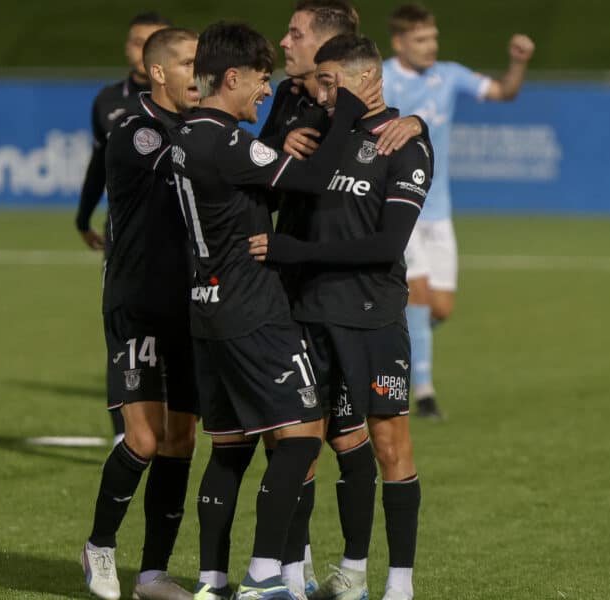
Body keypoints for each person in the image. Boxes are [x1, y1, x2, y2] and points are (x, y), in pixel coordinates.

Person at [169, 22, 375, 600]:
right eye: (260, 81)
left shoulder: (183, 139)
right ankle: (264, 579)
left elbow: (248, 193)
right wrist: (348, 109)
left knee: (230, 444)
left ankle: (212, 582)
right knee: (305, 433)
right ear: (230, 78)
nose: (266, 91)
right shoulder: (229, 142)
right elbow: (312, 178)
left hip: (205, 308)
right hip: (252, 308)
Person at [250, 34, 433, 600]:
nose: (320, 94)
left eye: (330, 83)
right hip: (307, 316)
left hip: (372, 319)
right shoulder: (320, 137)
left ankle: (398, 584)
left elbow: (387, 246)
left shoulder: (404, 144)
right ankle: (298, 576)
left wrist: (294, 253)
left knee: (389, 445)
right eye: (318, 82)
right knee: (298, 445)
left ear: (366, 82)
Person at [79, 28, 203, 600]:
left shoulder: (198, 130)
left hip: (190, 307)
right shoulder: (137, 132)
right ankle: (100, 546)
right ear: (158, 72)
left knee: (181, 440)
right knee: (145, 440)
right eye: (187, 63)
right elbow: (187, 165)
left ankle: (153, 574)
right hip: (137, 304)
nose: (198, 74)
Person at [382, 3, 535, 418]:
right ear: (399, 42)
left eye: (433, 38)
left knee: (440, 307)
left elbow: (504, 92)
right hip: (397, 205)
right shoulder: (381, 78)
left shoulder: (448, 76)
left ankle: (384, 338)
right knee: (419, 293)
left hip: (439, 208)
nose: (430, 46)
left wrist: (517, 63)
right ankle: (425, 393)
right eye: (420, 40)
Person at [75, 11, 172, 443]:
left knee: (175, 340)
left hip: (176, 237)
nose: (141, 50)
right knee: (123, 335)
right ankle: (123, 435)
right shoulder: (108, 101)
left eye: (151, 42)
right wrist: (83, 216)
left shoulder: (186, 99)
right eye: (136, 42)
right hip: (124, 239)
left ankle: (174, 424)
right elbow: (100, 163)